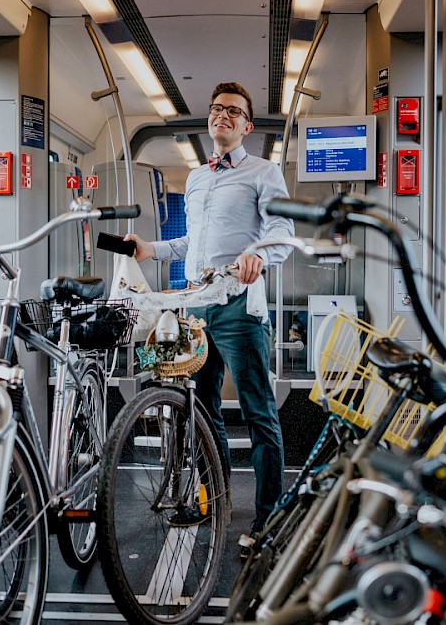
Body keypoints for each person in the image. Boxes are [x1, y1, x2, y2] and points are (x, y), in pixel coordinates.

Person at [124, 81, 294, 553]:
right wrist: (150, 249)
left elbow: (282, 229)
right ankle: (212, 497)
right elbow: (188, 246)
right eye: (217, 108)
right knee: (200, 409)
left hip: (240, 304)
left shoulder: (264, 172)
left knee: (260, 413)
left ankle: (268, 518)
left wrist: (259, 253)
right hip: (197, 304)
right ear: (210, 118)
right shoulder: (197, 179)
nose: (223, 116)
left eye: (233, 111)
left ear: (247, 125)